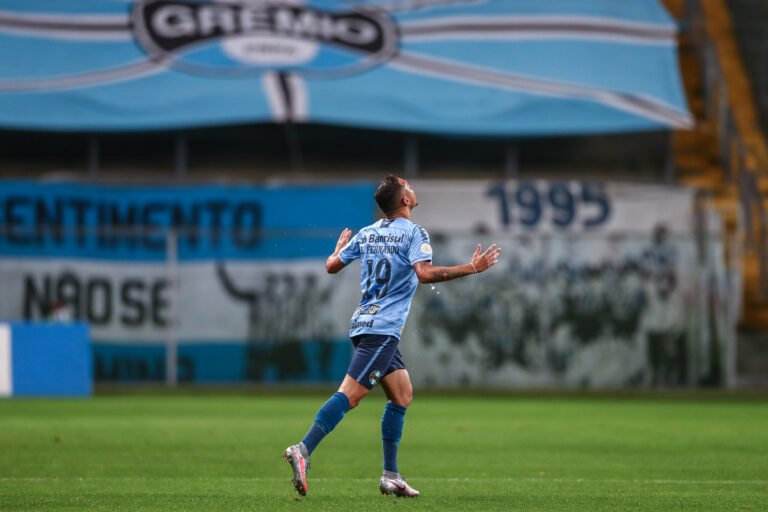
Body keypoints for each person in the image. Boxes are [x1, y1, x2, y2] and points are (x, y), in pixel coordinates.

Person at [284, 175, 501, 498]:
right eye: (408, 185)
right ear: (404, 200)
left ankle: (390, 476)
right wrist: (471, 268)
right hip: (381, 331)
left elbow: (331, 266)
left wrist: (336, 251)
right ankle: (303, 449)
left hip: (366, 325)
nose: (412, 187)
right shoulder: (414, 233)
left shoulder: (368, 233)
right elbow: (425, 274)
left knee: (401, 395)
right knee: (351, 395)